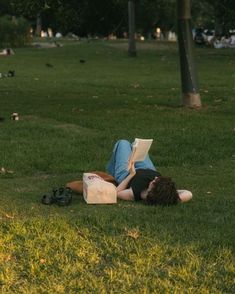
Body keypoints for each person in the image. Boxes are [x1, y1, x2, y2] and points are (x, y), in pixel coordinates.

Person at [67, 139, 192, 205]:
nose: (154, 179)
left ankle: (112, 171)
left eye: (154, 183)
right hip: (148, 168)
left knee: (123, 143)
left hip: (127, 172)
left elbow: (116, 193)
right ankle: (131, 152)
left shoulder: (135, 193)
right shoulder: (169, 196)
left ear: (151, 191)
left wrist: (132, 174)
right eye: (157, 179)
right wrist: (172, 196)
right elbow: (188, 193)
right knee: (135, 145)